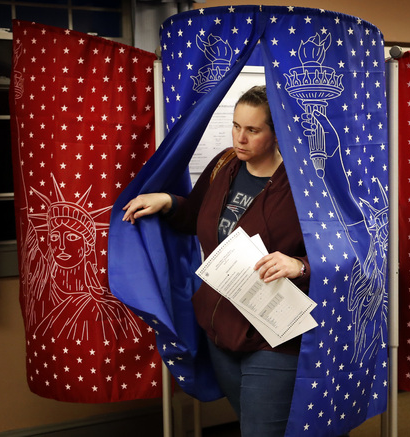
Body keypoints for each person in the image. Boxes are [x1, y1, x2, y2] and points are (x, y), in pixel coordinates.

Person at [122, 85, 310, 436]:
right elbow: (195, 216)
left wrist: (300, 265)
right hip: (221, 328)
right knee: (252, 425)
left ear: (277, 131)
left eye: (252, 130)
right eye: (236, 126)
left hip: (273, 335)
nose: (240, 138)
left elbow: (342, 251)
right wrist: (168, 201)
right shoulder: (225, 163)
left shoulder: (302, 183)